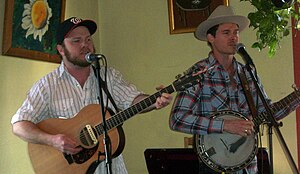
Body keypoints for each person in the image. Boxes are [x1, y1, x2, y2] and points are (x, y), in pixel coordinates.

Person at [11, 17, 173, 174]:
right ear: (61, 49)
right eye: (76, 41)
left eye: (88, 39)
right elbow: (19, 125)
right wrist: (52, 140)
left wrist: (154, 101)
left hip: (111, 168)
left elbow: (133, 100)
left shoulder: (109, 76)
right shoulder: (46, 86)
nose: (85, 45)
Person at [169, 5, 300, 174]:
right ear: (211, 37)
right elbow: (177, 119)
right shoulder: (198, 74)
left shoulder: (247, 73)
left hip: (248, 166)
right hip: (214, 166)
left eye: (236, 32)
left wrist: (296, 98)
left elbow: (268, 113)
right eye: (226, 33)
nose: (234, 38)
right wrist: (224, 125)